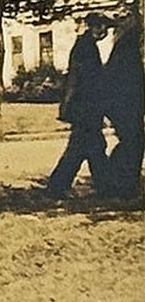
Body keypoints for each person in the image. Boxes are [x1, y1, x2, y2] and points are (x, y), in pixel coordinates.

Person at [46, 12, 112, 199]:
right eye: (103, 27)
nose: (105, 32)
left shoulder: (86, 45)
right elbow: (82, 80)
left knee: (93, 147)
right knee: (81, 148)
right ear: (94, 27)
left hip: (86, 107)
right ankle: (57, 186)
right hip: (85, 107)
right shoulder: (86, 48)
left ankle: (105, 186)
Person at [103, 19, 143, 200]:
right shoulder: (129, 52)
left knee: (132, 142)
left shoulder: (123, 50)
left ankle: (121, 183)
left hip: (124, 105)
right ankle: (123, 186)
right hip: (125, 105)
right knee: (133, 142)